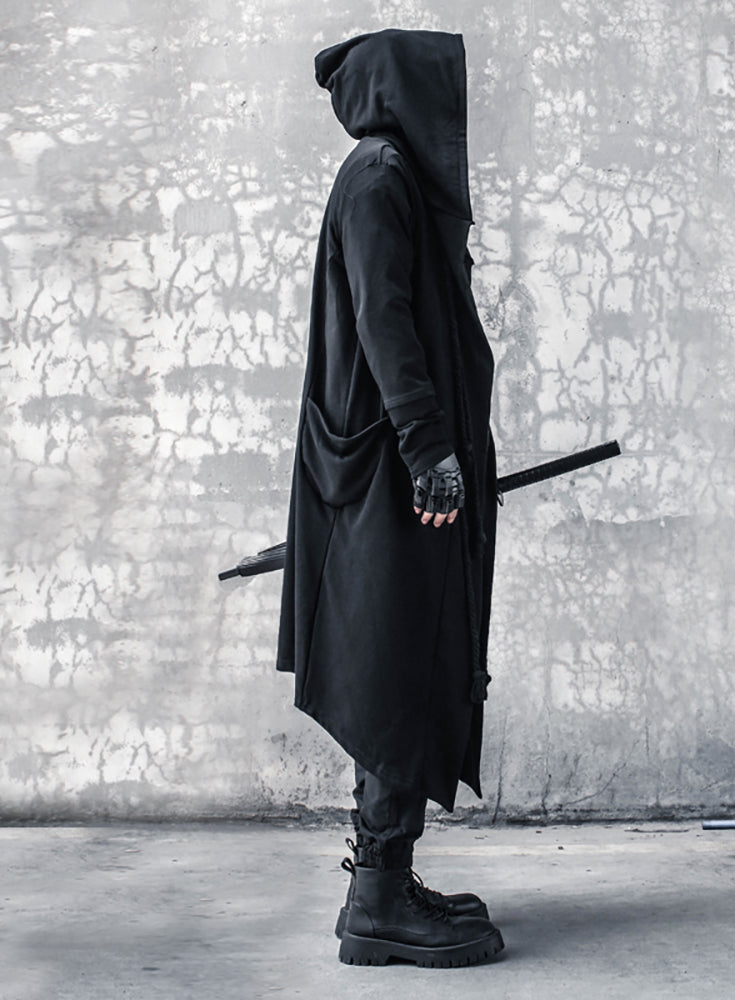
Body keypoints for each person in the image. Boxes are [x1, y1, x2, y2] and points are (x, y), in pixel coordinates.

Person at [276, 28, 503, 967]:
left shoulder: (389, 176)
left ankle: (383, 886)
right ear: (398, 91)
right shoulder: (378, 177)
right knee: (395, 669)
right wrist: (427, 447)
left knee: (404, 664)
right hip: (386, 473)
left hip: (387, 469)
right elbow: (382, 317)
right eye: (434, 87)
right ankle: (377, 903)